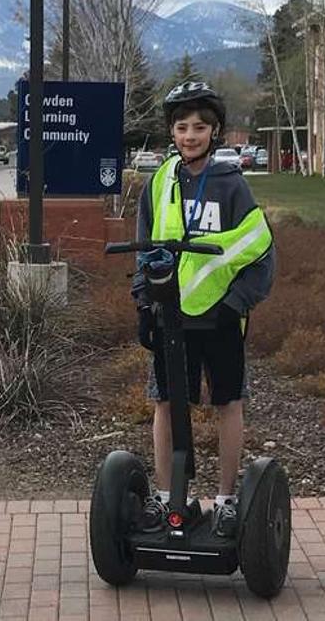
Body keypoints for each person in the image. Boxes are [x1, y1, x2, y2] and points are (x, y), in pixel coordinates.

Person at [132, 80, 275, 537]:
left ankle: (227, 499)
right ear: (171, 133)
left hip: (221, 318)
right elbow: (143, 250)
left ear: (214, 133)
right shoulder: (158, 185)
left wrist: (236, 304)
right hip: (170, 317)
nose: (190, 135)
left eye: (200, 127)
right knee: (167, 404)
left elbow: (260, 253)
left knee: (228, 403)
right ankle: (169, 495)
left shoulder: (232, 186)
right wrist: (144, 306)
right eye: (182, 127)